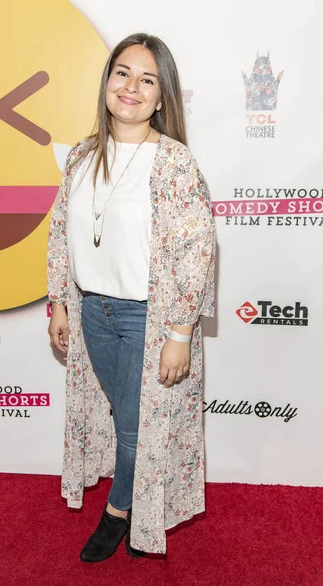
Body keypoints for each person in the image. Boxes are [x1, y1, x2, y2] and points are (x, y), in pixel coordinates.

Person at [47, 33, 216, 562]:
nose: (132, 87)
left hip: (148, 317)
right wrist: (60, 302)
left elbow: (196, 250)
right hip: (93, 311)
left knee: (134, 424)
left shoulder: (173, 163)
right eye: (123, 72)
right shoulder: (80, 156)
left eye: (148, 79)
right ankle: (140, 509)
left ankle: (120, 511)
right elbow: (59, 232)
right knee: (125, 416)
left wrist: (180, 332)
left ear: (162, 98)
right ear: (106, 83)